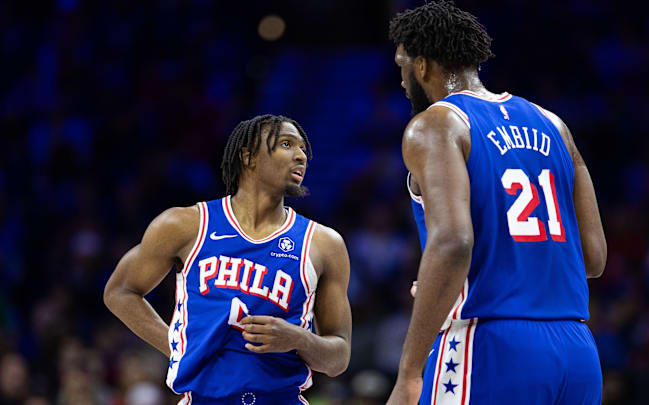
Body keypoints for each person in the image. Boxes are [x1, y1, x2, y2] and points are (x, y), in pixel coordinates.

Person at [386, 2, 606, 404]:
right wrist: (449, 284)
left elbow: (453, 244)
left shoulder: (436, 124)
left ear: (421, 66)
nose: (401, 81)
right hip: (577, 352)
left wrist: (409, 373)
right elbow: (593, 258)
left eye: (402, 66)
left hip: (490, 345)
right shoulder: (554, 124)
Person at [104, 114, 352, 404]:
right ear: (248, 157)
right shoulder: (186, 225)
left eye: (303, 151)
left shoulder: (323, 243)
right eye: (286, 144)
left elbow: (339, 358)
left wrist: (299, 339)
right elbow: (120, 292)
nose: (300, 156)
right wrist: (179, 347)